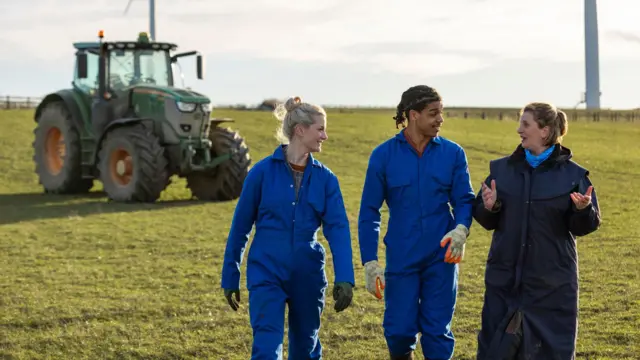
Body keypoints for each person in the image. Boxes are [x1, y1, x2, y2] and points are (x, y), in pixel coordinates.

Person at [220, 96, 355, 359]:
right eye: (320, 129)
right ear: (300, 130)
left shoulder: (327, 180)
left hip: (308, 275)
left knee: (305, 347)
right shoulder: (260, 173)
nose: (325, 136)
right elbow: (240, 228)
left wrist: (345, 276)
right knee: (266, 349)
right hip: (266, 272)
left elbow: (338, 229)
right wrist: (230, 275)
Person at [473, 102, 602, 359]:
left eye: (525, 124)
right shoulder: (502, 171)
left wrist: (582, 211)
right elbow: (484, 218)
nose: (519, 129)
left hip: (551, 285)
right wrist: (491, 206)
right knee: (496, 350)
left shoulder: (573, 176)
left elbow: (586, 226)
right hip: (505, 280)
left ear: (544, 131)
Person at [358, 85, 476, 360]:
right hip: (402, 256)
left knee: (437, 333)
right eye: (433, 113)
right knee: (398, 332)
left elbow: (464, 199)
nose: (440, 119)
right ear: (413, 115)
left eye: (441, 112)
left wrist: (461, 229)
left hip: (442, 256)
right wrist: (370, 261)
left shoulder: (453, 153)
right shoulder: (383, 156)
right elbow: (369, 212)